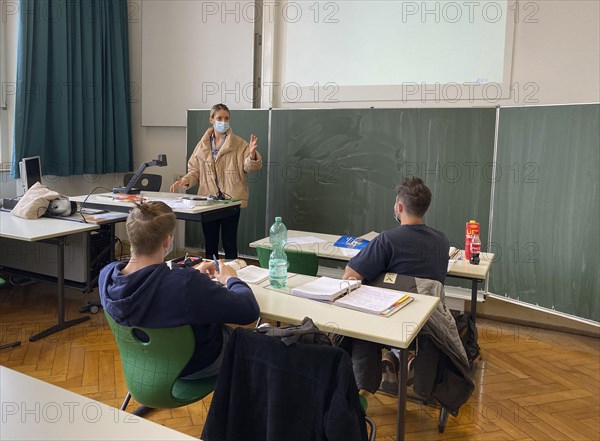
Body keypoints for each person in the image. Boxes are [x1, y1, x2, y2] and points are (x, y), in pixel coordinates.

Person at [99, 201, 260, 379]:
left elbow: (160, 287)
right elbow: (249, 311)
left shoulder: (106, 276)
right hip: (192, 366)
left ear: (131, 234)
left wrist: (190, 274)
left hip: (143, 365)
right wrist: (231, 278)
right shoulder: (186, 285)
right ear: (167, 240)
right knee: (250, 341)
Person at [339, 177, 450, 393]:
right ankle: (404, 356)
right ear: (424, 209)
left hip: (388, 321)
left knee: (358, 326)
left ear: (399, 207)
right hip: (429, 325)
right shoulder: (442, 241)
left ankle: (365, 382)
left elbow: (349, 278)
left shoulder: (387, 240)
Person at [170, 103, 262, 259]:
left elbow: (250, 166)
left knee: (230, 242)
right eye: (219, 118)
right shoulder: (202, 145)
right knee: (210, 243)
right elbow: (195, 170)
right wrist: (184, 181)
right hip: (208, 202)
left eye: (226, 118)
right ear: (211, 120)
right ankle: (209, 276)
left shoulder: (239, 144)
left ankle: (232, 276)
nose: (223, 121)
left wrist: (252, 155)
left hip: (231, 202)